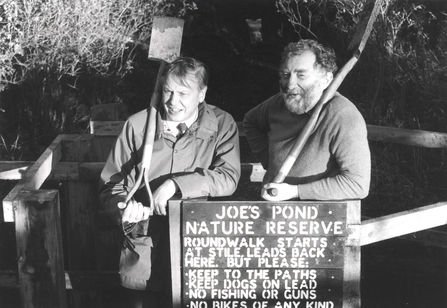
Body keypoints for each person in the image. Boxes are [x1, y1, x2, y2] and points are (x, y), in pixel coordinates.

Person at [99, 57, 241, 307]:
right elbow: (112, 185)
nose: (173, 102)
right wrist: (123, 209)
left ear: (201, 94)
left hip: (197, 247)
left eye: (184, 93)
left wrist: (177, 185)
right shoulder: (137, 126)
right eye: (168, 91)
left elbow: (228, 177)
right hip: (143, 249)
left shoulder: (221, 124)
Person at [243, 39, 370, 201]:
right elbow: (250, 122)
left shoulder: (343, 116)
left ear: (326, 80)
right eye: (285, 75)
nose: (290, 84)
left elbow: (357, 185)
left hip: (318, 217)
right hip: (271, 209)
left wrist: (295, 191)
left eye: (301, 75)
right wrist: (270, 162)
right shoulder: (276, 105)